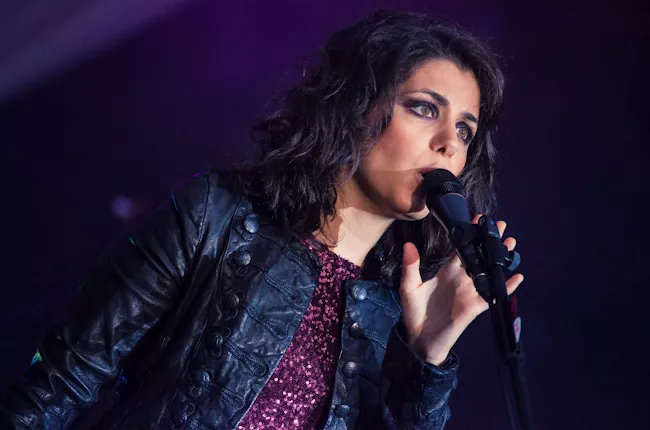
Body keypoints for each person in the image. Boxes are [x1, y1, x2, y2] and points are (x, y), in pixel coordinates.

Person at [0, 9, 523, 430]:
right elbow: (53, 392)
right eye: (425, 108)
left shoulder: (399, 311)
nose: (449, 143)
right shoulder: (215, 219)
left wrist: (428, 358)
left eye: (466, 130)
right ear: (356, 105)